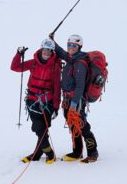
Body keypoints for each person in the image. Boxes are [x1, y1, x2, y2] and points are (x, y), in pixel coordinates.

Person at [49, 33, 99, 163]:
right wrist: (52, 41)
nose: (70, 48)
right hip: (67, 99)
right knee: (73, 125)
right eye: (69, 45)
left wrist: (74, 104)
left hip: (75, 100)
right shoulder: (71, 58)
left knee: (82, 126)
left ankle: (93, 153)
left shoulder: (79, 63)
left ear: (79, 47)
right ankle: (77, 152)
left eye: (73, 46)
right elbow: (60, 52)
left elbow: (80, 86)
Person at [10, 38, 61, 164]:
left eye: (49, 51)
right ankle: (47, 153)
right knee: (39, 129)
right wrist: (18, 54)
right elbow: (15, 67)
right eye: (45, 49)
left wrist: (56, 107)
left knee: (42, 130)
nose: (46, 52)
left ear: (52, 52)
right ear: (41, 49)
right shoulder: (34, 62)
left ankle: (40, 154)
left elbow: (57, 87)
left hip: (47, 105)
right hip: (32, 102)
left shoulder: (55, 66)